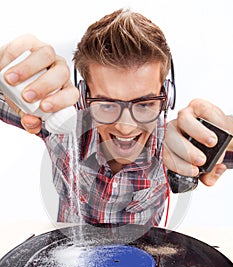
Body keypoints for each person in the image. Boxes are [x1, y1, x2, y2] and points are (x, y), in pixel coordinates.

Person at [0, 9, 232, 226]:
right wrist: (8, 69)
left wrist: (220, 134)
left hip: (146, 263)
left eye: (144, 104)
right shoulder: (59, 126)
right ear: (83, 97)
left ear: (166, 97)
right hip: (69, 260)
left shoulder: (178, 143)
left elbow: (221, 137)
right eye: (107, 104)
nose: (125, 126)